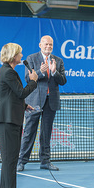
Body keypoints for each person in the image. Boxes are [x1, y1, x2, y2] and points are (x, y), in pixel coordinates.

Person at [0, 43, 38, 188]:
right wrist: (33, 81)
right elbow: (21, 92)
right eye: (20, 53)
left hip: (9, 119)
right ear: (13, 56)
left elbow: (11, 95)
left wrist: (24, 105)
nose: (21, 55)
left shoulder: (7, 71)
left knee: (8, 159)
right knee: (10, 158)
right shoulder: (8, 72)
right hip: (8, 121)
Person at [17, 35, 67, 172]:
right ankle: (21, 161)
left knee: (46, 133)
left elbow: (63, 80)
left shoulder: (58, 61)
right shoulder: (31, 59)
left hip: (51, 101)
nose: (48, 47)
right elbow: (28, 78)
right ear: (40, 45)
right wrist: (41, 71)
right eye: (46, 44)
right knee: (29, 131)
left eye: (50, 45)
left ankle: (45, 161)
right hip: (34, 101)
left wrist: (54, 72)